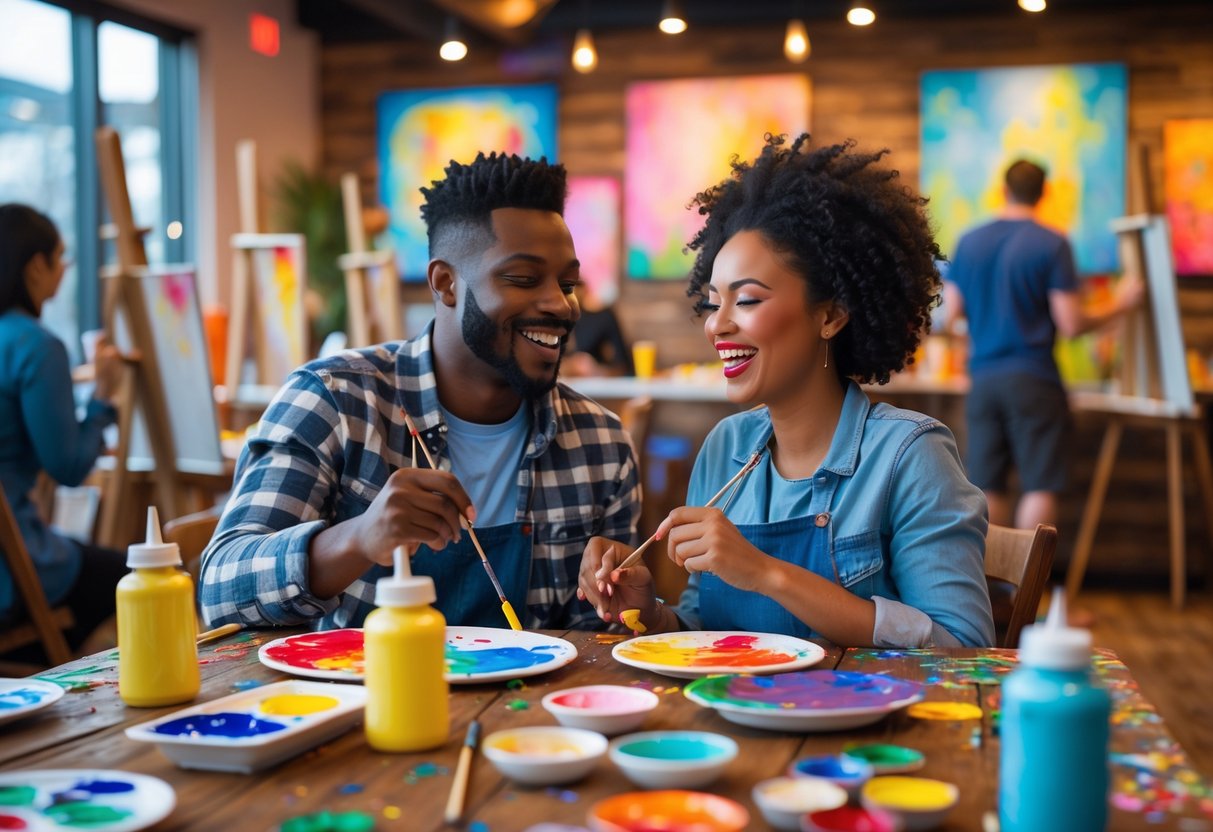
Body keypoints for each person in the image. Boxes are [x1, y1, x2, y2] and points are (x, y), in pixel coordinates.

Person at [577, 134, 994, 648]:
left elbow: (966, 650)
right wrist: (653, 616)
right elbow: (706, 629)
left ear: (831, 314)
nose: (717, 326)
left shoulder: (909, 455)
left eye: (747, 300)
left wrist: (767, 573)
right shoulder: (725, 449)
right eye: (713, 304)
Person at [199, 152, 641, 631]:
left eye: (568, 282)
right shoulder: (335, 401)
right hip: (357, 702)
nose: (560, 303)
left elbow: (599, 646)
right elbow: (221, 590)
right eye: (523, 279)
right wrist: (359, 537)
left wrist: (629, 608)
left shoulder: (601, 444)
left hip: (522, 706)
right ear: (446, 283)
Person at [945, 159, 1143, 530]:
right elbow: (1070, 323)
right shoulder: (1052, 243)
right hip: (1033, 380)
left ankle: (990, 587)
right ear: (1044, 193)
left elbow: (952, 313)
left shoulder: (969, 241)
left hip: (982, 380)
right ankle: (1027, 587)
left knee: (988, 486)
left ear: (1003, 190)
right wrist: (1121, 305)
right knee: (1040, 485)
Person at [0, 203, 127, 658]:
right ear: (36, 265)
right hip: (14, 573)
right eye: (60, 256)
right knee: (138, 575)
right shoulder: (34, 345)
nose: (64, 268)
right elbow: (69, 465)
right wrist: (103, 396)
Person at [563, 284, 634, 377]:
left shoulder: (602, 317)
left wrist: (597, 371)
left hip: (594, 384)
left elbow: (624, 367)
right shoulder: (554, 318)